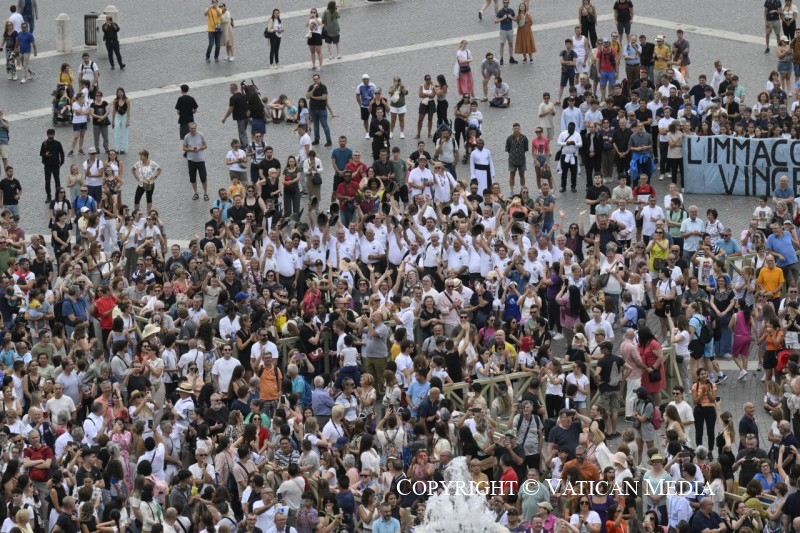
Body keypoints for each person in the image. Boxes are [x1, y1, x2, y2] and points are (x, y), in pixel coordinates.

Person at [182, 123, 209, 201]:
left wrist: (200, 148)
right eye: (191, 128)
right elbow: (184, 148)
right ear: (189, 129)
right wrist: (190, 149)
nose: (193, 130)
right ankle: (195, 193)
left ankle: (205, 193)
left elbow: (205, 145)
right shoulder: (187, 137)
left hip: (200, 160)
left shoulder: (201, 135)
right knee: (192, 178)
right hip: (191, 160)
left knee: (203, 178)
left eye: (194, 128)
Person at [40, 129, 64, 204]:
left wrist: (62, 162)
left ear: (54, 134)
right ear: (47, 135)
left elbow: (62, 153)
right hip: (47, 165)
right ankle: (48, 196)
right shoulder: (44, 144)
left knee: (57, 180)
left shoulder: (57, 143)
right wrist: (45, 154)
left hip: (56, 165)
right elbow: (41, 153)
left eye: (52, 134)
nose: (51, 136)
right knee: (47, 181)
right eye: (49, 134)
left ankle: (58, 196)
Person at [221, 83, 248, 148]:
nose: (230, 90)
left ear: (232, 89)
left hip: (240, 117)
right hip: (246, 116)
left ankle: (245, 146)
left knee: (241, 132)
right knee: (244, 131)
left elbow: (230, 109)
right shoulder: (243, 95)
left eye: (230, 89)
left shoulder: (233, 98)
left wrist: (224, 118)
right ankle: (246, 144)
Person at [495, 0, 518, 66]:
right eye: (504, 2)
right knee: (502, 44)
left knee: (510, 44)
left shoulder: (511, 10)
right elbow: (495, 21)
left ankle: (511, 58)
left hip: (510, 29)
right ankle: (501, 58)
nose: (505, 3)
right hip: (503, 30)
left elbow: (516, 19)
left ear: (508, 3)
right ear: (503, 3)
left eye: (506, 2)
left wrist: (511, 17)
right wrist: (502, 18)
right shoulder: (500, 11)